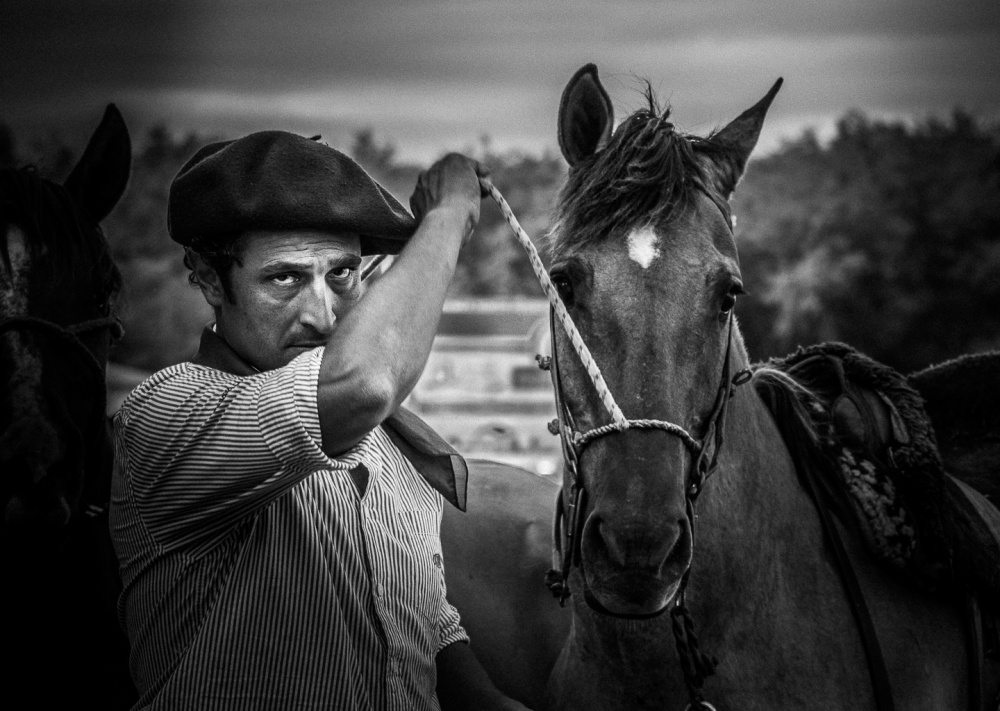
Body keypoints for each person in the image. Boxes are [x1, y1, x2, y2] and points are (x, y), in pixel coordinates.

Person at [109, 131, 529, 710]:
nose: (322, 314)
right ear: (208, 278)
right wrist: (450, 216)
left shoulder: (391, 454)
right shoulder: (165, 415)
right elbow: (364, 382)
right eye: (284, 278)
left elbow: (430, 634)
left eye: (342, 274)